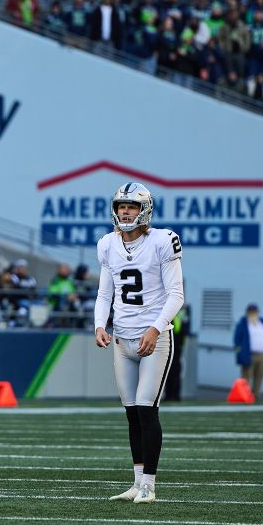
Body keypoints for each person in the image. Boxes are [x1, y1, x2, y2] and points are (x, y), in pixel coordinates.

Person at [94, 183, 184, 504]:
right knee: (131, 414)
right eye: (121, 206)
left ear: (144, 209)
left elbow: (176, 295)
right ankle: (136, 481)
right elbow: (106, 292)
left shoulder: (162, 240)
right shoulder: (108, 244)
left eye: (131, 206)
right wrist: (99, 324)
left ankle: (149, 484)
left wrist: (157, 329)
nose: (125, 212)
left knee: (147, 411)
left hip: (153, 341)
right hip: (121, 339)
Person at [233, 303, 263, 398]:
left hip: (262, 355)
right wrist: (239, 354)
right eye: (251, 312)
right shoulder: (242, 324)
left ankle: (256, 393)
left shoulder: (262, 323)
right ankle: (244, 394)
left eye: (255, 312)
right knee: (247, 375)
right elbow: (236, 341)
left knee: (260, 375)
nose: (253, 314)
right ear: (247, 313)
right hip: (249, 354)